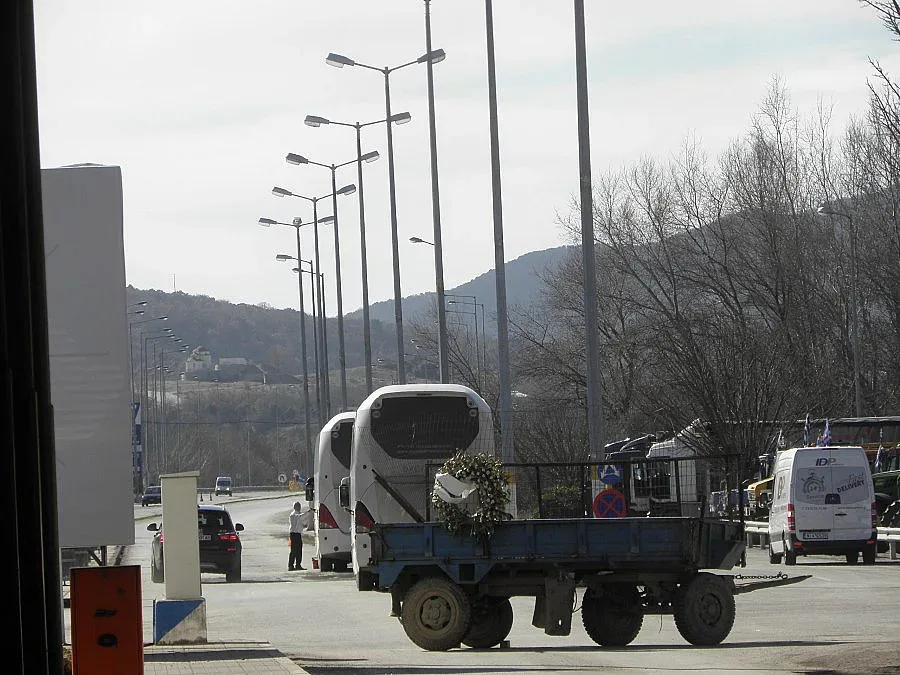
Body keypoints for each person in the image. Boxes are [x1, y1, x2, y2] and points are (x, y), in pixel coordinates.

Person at [288, 500, 312, 571]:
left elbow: (304, 522)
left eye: (299, 506)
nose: (299, 507)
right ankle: (290, 565)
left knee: (299, 550)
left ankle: (298, 565)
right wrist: (308, 512)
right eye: (297, 506)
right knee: (293, 550)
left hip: (298, 534)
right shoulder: (292, 515)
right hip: (293, 534)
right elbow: (299, 517)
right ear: (294, 507)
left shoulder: (300, 514)